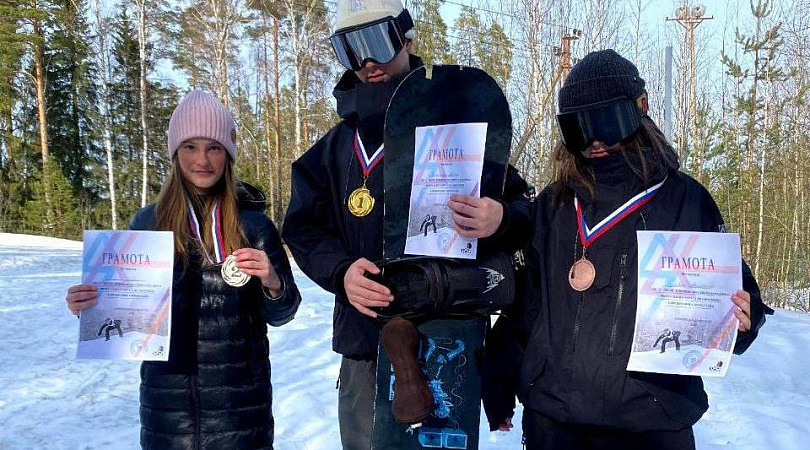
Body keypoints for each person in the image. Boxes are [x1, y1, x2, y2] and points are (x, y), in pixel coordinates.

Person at [482, 49, 769, 449]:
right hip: (555, 420)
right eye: (578, 128)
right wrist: (499, 380)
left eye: (607, 122)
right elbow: (527, 306)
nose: (595, 140)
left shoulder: (684, 200)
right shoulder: (554, 205)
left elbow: (734, 296)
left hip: (651, 420)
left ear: (640, 110)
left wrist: (743, 319)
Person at [282, 1, 531, 448]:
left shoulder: (456, 129)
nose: (369, 62)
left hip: (444, 335)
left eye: (377, 41)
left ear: (407, 39)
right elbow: (302, 228)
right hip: (365, 342)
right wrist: (341, 272)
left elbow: (525, 207)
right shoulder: (337, 149)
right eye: (351, 50)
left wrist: (500, 217)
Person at [65, 90, 301, 449]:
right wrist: (90, 305)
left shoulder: (254, 226)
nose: (202, 159)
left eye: (214, 147)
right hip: (167, 407)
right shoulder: (147, 223)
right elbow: (123, 315)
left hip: (238, 409)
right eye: (190, 146)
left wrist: (271, 280)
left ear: (228, 155)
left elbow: (283, 312)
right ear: (175, 153)